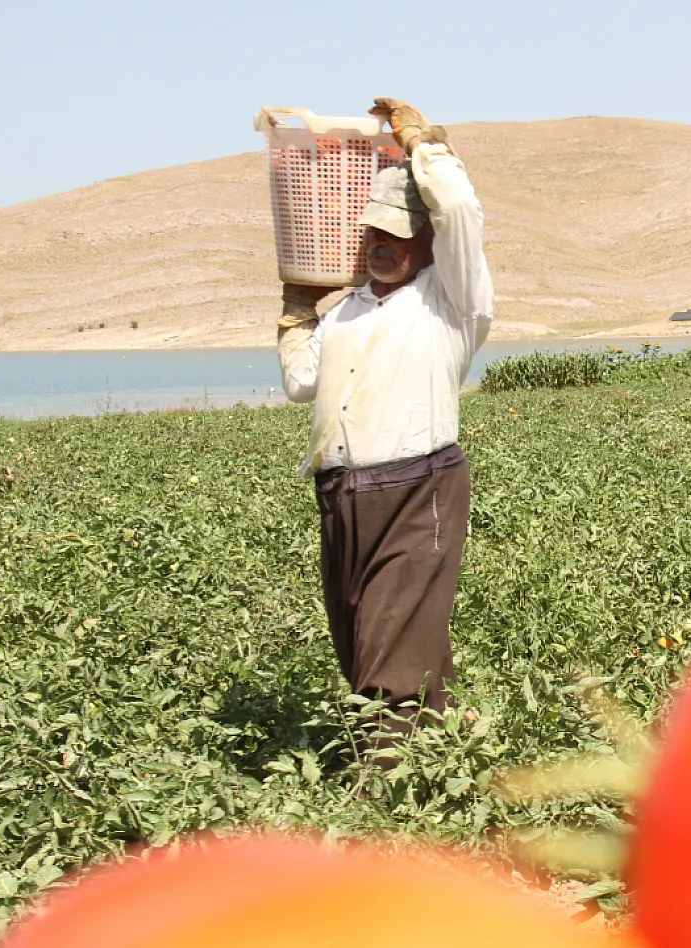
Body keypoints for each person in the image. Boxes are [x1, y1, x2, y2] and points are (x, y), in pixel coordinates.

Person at [276, 98, 493, 751]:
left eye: (400, 234)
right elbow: (299, 383)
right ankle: (449, 752)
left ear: (429, 243)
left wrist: (422, 144)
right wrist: (295, 315)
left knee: (387, 644)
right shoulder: (346, 313)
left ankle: (386, 792)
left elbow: (458, 210)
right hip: (341, 495)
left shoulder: (452, 301)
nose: (383, 245)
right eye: (374, 232)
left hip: (417, 487)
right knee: (361, 640)